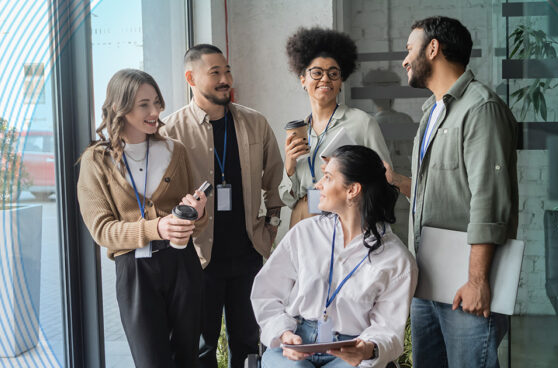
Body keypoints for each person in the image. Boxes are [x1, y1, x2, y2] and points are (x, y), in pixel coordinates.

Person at [385, 17, 518, 367]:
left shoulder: (480, 108)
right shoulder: (432, 110)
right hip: (427, 281)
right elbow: (443, 193)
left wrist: (477, 280)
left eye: (409, 49)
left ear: (433, 48)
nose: (404, 60)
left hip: (465, 286)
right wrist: (398, 181)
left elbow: (488, 200)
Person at [161, 44, 284, 368]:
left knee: (247, 341)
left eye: (226, 71)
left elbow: (274, 177)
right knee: (201, 347)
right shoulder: (170, 131)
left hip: (248, 254)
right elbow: (160, 198)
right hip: (198, 258)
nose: (225, 78)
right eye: (215, 72)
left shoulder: (254, 122)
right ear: (191, 77)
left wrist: (271, 224)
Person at [77, 69, 207, 367]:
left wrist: (197, 214)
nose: (155, 111)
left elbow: (196, 222)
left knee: (188, 358)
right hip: (135, 271)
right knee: (151, 361)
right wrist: (157, 227)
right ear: (119, 109)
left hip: (182, 266)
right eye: (144, 104)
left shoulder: (175, 150)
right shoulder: (97, 160)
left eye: (157, 102)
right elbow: (102, 230)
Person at [252, 145, 417, 368]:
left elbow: (388, 328)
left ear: (353, 190)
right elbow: (266, 293)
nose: (318, 185)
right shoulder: (305, 233)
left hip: (352, 352)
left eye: (328, 177)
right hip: (295, 343)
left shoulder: (396, 258)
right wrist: (283, 334)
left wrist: (367, 349)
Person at [279, 27, 392, 228]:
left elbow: (385, 182)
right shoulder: (299, 131)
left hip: (340, 221)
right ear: (303, 80)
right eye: (317, 72)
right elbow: (287, 199)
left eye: (333, 73)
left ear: (341, 82)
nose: (325, 79)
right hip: (301, 219)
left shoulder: (362, 123)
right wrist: (289, 166)